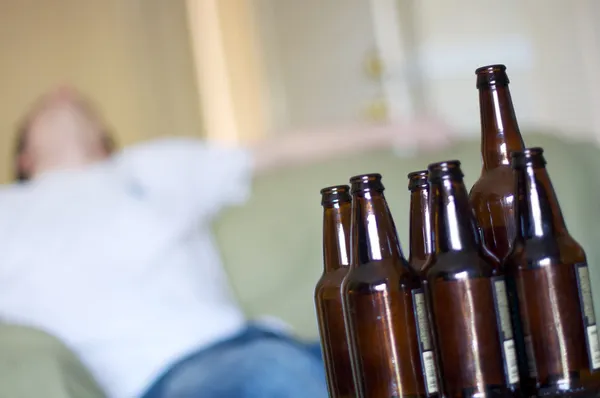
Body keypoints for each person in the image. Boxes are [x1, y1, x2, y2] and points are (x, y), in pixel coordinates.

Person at [0, 87, 452, 398]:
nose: (63, 91)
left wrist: (396, 128)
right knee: (279, 373)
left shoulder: (152, 164)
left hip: (263, 343)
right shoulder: (8, 211)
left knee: (428, 342)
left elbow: (276, 150)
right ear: (24, 156)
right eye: (47, 105)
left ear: (104, 139)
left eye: (79, 101)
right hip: (164, 377)